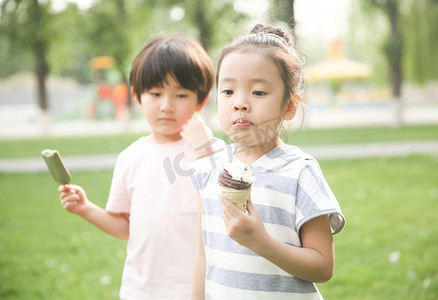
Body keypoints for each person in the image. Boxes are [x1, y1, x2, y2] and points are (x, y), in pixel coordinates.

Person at [188, 24, 346, 299]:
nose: (240, 103)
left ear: (289, 106)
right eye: (227, 91)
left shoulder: (300, 171)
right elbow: (203, 255)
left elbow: (323, 266)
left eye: (258, 92)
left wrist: (261, 243)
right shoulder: (209, 169)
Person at [58, 35, 214, 299]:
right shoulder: (131, 158)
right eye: (155, 93)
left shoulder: (210, 153)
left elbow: (222, 208)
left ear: (202, 100)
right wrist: (85, 209)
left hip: (201, 289)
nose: (167, 106)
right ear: (137, 96)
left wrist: (204, 150)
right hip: (143, 289)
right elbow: (127, 228)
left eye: (181, 94)